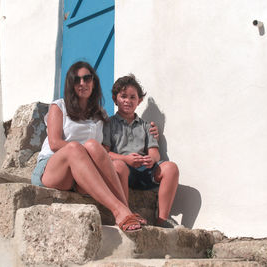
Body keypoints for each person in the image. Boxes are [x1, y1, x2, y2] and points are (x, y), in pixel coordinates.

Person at [31, 62, 152, 232]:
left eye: (87, 78)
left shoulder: (99, 114)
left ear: (93, 82)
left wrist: (150, 129)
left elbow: (101, 149)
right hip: (54, 169)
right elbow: (55, 143)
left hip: (81, 174)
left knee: (115, 163)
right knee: (76, 148)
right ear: (71, 84)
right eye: (77, 79)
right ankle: (119, 211)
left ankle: (126, 211)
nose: (82, 83)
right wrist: (83, 152)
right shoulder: (59, 106)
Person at [103, 74, 179, 228]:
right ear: (115, 98)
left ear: (139, 101)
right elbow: (105, 153)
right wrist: (125, 159)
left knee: (171, 168)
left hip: (144, 170)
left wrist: (151, 159)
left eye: (132, 97)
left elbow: (154, 152)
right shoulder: (109, 124)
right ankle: (127, 214)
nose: (128, 101)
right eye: (123, 96)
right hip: (123, 171)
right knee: (118, 166)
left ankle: (162, 220)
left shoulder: (146, 126)